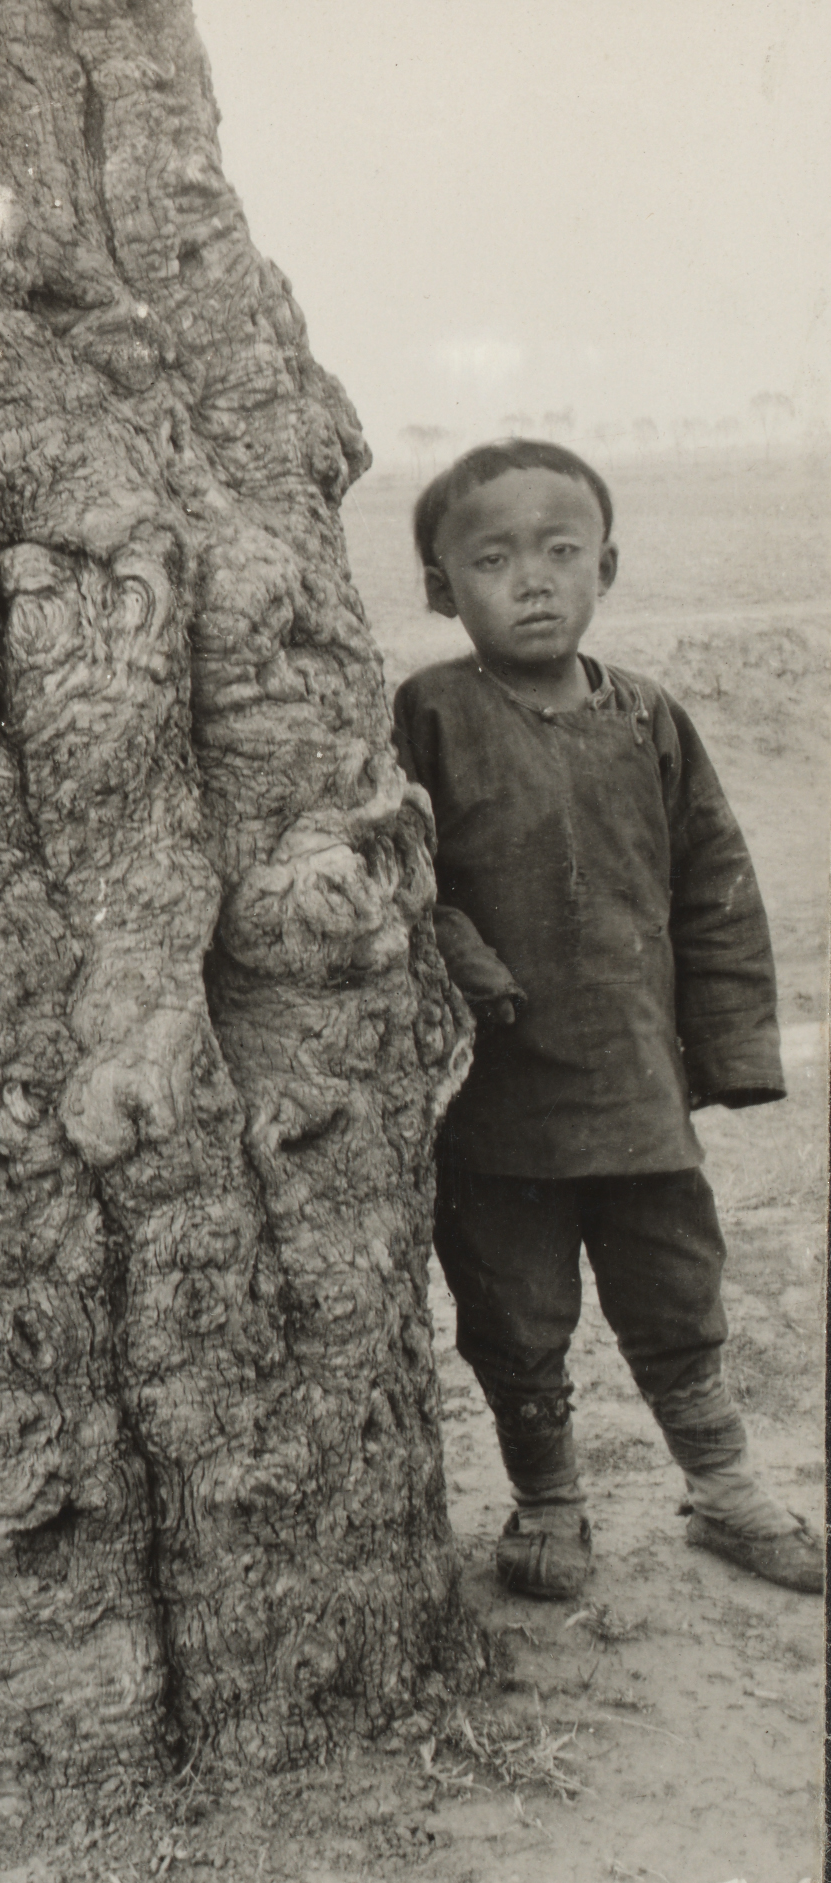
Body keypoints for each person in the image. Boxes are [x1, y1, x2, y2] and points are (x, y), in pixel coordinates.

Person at [391, 438, 822, 1598]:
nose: (532, 580)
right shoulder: (425, 715)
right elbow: (393, 869)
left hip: (637, 1086)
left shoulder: (650, 719)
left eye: (560, 552)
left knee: (676, 1292)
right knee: (512, 1307)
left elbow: (714, 886)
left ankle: (726, 1490)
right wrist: (462, 954)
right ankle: (550, 1501)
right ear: (442, 588)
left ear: (607, 568)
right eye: (492, 558)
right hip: (500, 1097)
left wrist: (727, 1055)